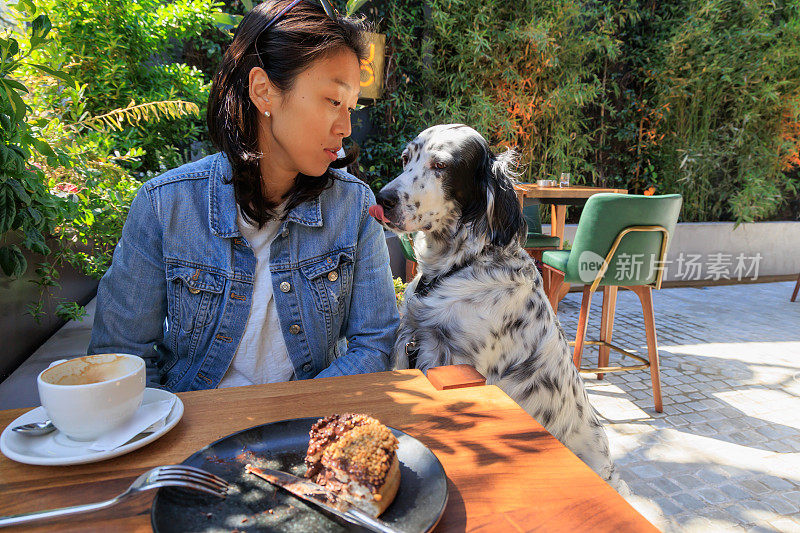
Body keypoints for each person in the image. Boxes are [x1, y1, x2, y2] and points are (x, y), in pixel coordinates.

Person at [88, 0, 399, 392]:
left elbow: (374, 343)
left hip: (305, 434)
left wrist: (289, 416)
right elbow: (119, 361)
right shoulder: (164, 206)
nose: (346, 127)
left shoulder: (351, 206)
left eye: (351, 107)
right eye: (334, 101)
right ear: (264, 92)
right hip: (191, 434)